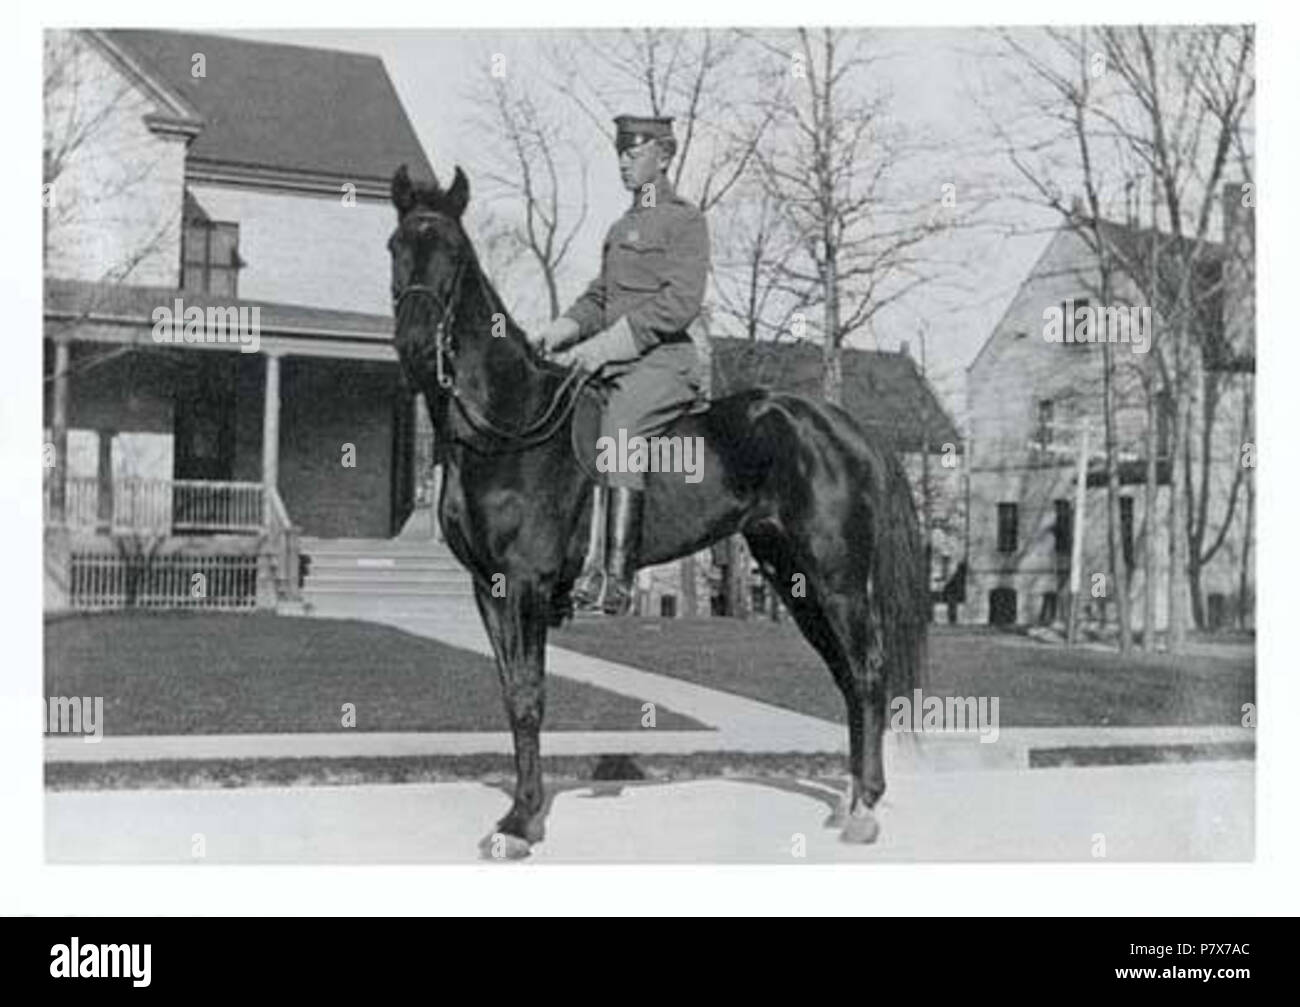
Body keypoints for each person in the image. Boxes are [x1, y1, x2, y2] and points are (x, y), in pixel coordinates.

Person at [533, 114, 710, 616]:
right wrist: (561, 329)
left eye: (636, 153)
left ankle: (617, 576)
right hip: (617, 365)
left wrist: (605, 346)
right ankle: (574, 561)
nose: (625, 161)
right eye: (621, 153)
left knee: (620, 431)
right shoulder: (620, 228)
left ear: (666, 155)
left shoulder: (684, 221)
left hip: (663, 363)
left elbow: (680, 303)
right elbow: (600, 297)